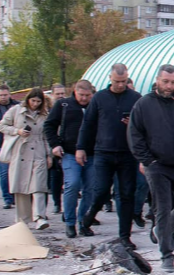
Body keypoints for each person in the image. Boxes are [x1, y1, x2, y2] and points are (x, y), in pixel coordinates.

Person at [129, 65, 174, 272]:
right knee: (162, 207)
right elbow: (135, 135)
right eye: (166, 82)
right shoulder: (144, 104)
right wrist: (147, 161)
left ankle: (160, 231)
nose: (170, 86)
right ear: (158, 80)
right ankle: (166, 254)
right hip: (158, 165)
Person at [76, 63, 141, 248]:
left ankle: (125, 236)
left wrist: (132, 124)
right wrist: (81, 147)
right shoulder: (99, 98)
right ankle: (88, 219)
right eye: (117, 81)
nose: (121, 85)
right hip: (103, 152)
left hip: (127, 153)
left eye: (124, 81)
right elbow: (88, 124)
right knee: (101, 191)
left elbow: (144, 125)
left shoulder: (135, 98)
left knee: (127, 194)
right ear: (109, 78)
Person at [44, 80, 95, 238]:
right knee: (72, 185)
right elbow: (49, 125)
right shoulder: (64, 105)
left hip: (92, 153)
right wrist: (55, 145)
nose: (84, 99)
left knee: (90, 189)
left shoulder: (95, 106)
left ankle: (83, 221)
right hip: (70, 153)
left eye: (87, 95)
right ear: (75, 91)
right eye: (81, 95)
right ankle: (70, 222)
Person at [0, 88, 52, 229]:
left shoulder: (44, 115)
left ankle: (40, 217)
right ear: (28, 99)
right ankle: (23, 219)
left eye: (38, 101)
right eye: (33, 100)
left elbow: (46, 136)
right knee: (21, 187)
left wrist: (49, 155)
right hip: (21, 150)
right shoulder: (16, 110)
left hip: (38, 150)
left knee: (39, 186)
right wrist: (17, 131)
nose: (35, 104)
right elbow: (2, 125)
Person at [47, 83, 67, 214]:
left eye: (62, 93)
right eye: (57, 94)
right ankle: (56, 203)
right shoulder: (48, 109)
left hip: (67, 145)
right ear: (52, 95)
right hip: (52, 146)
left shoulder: (67, 107)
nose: (60, 96)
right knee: (55, 176)